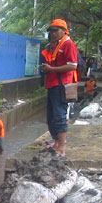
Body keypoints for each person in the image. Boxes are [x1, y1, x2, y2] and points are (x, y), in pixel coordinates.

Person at [40, 18, 78, 157]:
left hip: (61, 85)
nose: (53, 33)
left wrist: (51, 69)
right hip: (52, 84)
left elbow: (73, 65)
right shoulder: (54, 46)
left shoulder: (68, 45)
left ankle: (61, 148)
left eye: (56, 30)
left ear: (63, 31)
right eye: (51, 31)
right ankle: (56, 143)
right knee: (52, 117)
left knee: (60, 116)